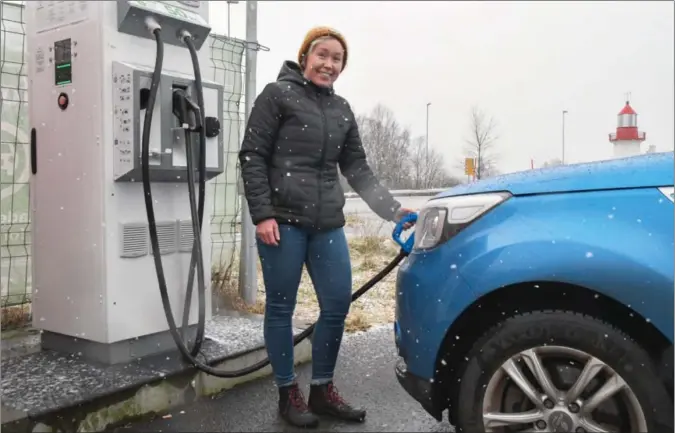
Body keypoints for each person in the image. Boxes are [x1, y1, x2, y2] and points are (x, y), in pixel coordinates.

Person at [238, 26, 415, 428]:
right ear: (305, 57)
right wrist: (263, 214)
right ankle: (287, 393)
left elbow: (356, 168)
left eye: (337, 59)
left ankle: (322, 389)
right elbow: (252, 155)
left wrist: (392, 210)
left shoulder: (342, 110)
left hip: (327, 223)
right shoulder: (276, 95)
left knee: (337, 305)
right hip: (282, 223)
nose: (329, 64)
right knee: (281, 308)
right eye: (322, 55)